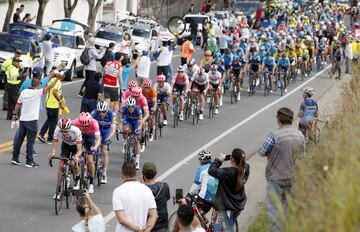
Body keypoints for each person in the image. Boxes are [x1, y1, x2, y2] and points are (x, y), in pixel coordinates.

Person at [258, 107, 305, 232]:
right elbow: (302, 155)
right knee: (285, 208)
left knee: (274, 210)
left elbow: (262, 152)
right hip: (291, 175)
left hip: (275, 177)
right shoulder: (299, 135)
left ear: (278, 120)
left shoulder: (274, 135)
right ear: (291, 119)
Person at [11, 73, 62, 167]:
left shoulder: (24, 92)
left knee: (19, 140)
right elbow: (49, 87)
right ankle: (29, 161)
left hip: (23, 119)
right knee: (30, 141)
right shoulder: (37, 92)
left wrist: (15, 113)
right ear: (38, 85)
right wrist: (56, 79)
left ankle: (15, 158)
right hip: (32, 120)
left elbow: (18, 104)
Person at [208, 148, 250, 232]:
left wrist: (219, 160)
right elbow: (243, 163)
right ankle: (218, 230)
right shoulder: (245, 169)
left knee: (228, 229)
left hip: (226, 206)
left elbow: (211, 170)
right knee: (223, 225)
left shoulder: (227, 172)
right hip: (238, 204)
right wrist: (234, 157)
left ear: (232, 159)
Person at [112, 162, 158, 232]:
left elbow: (121, 219)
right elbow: (154, 215)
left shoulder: (118, 191)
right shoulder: (146, 189)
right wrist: (147, 230)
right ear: (135, 173)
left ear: (122, 174)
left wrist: (139, 229)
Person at [49, 117, 82, 198]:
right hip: (66, 145)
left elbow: (80, 150)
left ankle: (77, 177)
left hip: (75, 146)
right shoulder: (57, 130)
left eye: (66, 131)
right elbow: (54, 145)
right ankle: (59, 189)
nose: (63, 133)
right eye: (62, 131)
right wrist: (52, 153)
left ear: (70, 128)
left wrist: (76, 156)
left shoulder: (76, 131)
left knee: (73, 163)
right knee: (61, 165)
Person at [72, 112, 101, 193]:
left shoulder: (94, 123)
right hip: (80, 136)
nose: (84, 127)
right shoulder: (75, 122)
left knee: (90, 159)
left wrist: (95, 147)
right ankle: (77, 175)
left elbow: (98, 139)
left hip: (90, 137)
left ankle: (91, 182)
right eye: (82, 125)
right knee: (76, 155)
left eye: (86, 125)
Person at [91, 101, 117, 184]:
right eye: (100, 112)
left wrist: (109, 138)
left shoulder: (112, 115)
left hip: (106, 131)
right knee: (92, 146)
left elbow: (113, 129)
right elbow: (90, 126)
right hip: (97, 130)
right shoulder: (94, 113)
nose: (102, 113)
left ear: (106, 110)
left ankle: (104, 173)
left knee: (104, 150)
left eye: (103, 112)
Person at [38, 70, 65, 144]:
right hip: (53, 104)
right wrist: (60, 102)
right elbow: (55, 92)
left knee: (49, 120)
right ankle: (49, 138)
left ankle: (42, 134)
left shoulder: (51, 80)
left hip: (48, 103)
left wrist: (61, 98)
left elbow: (57, 91)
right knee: (53, 122)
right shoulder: (58, 82)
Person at [142, 162, 170, 232]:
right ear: (155, 173)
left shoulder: (141, 190)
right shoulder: (164, 186)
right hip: (163, 225)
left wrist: (142, 185)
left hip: (147, 226)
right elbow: (167, 197)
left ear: (143, 174)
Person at [189, 149, 219, 214]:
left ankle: (197, 218)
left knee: (190, 202)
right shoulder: (215, 167)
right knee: (206, 204)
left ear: (202, 159)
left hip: (205, 198)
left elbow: (195, 186)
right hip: (216, 198)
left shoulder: (201, 169)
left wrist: (188, 195)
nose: (199, 160)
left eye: (200, 158)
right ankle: (202, 217)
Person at [119, 97, 143, 170]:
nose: (130, 108)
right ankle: (125, 141)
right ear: (127, 106)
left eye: (132, 107)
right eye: (129, 107)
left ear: (134, 106)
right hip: (127, 120)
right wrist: (120, 128)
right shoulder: (123, 109)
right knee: (125, 129)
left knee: (136, 140)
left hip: (136, 122)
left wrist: (138, 129)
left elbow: (140, 122)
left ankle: (137, 160)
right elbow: (120, 120)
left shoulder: (138, 110)